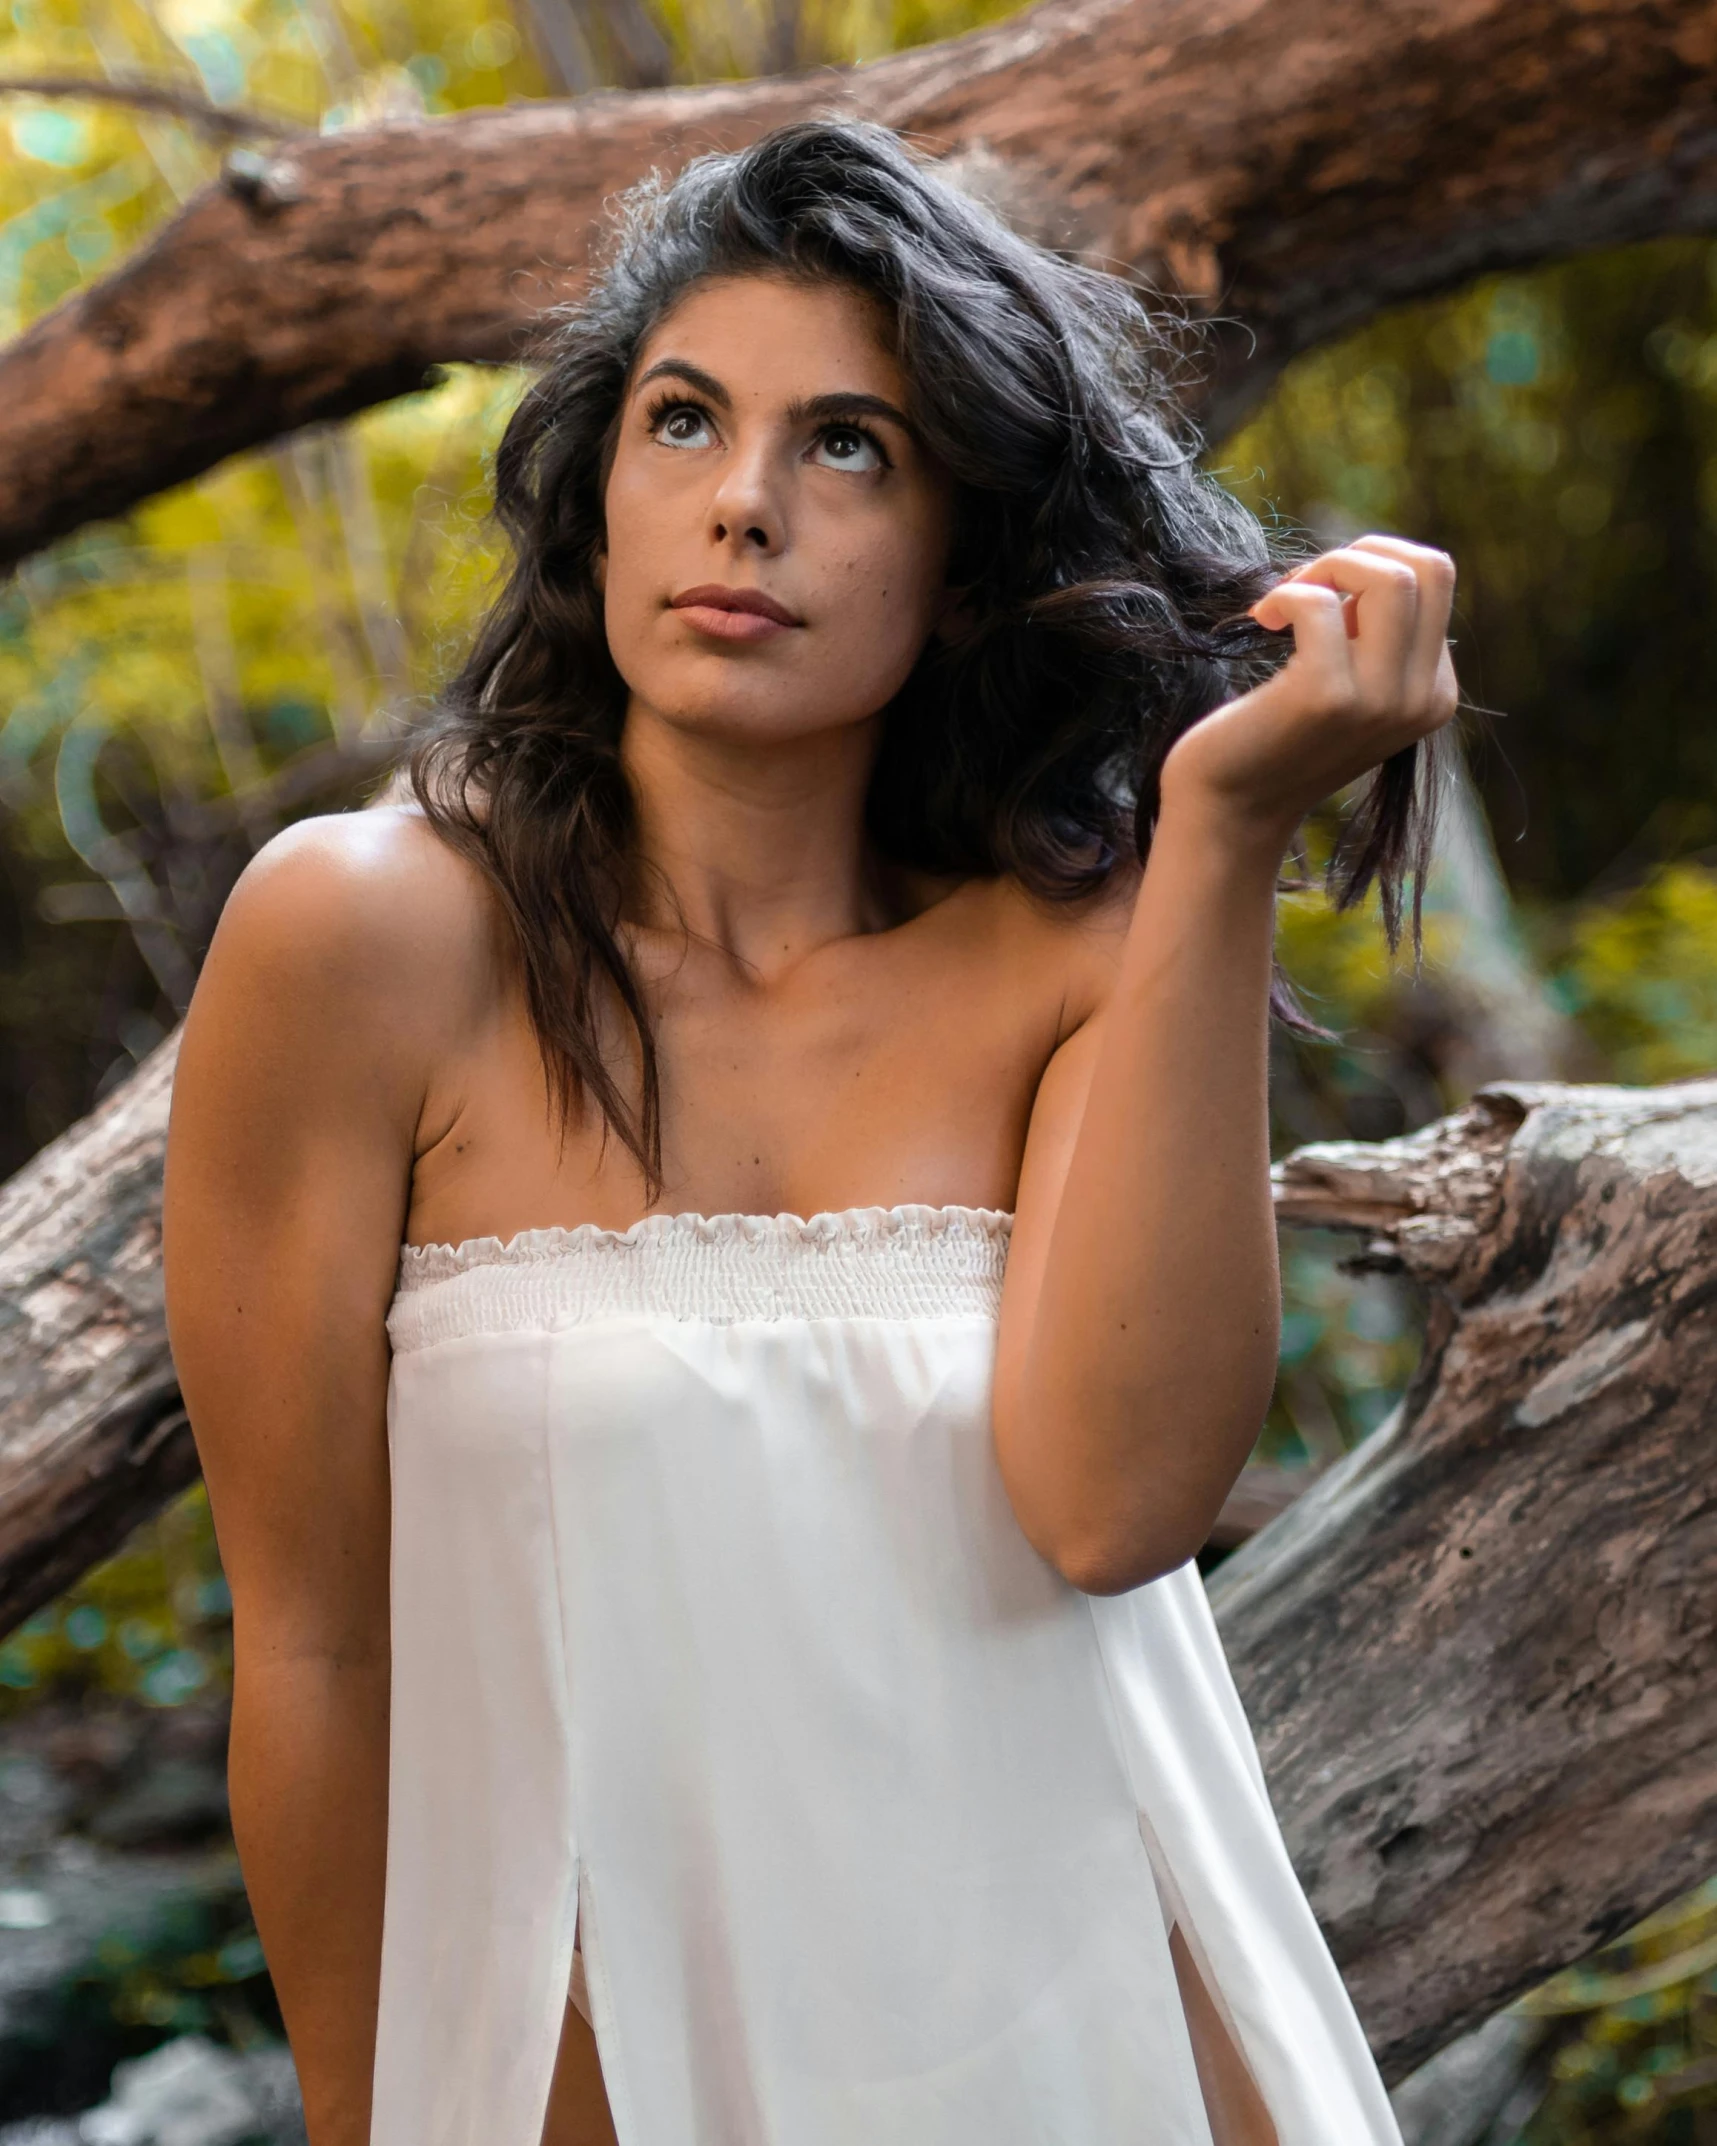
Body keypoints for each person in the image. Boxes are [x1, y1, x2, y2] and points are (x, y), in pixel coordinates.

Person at [161, 119, 1456, 2146]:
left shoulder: (1073, 949)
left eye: (847, 444)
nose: (742, 504)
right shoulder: (363, 939)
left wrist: (1220, 832)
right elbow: (316, 1645)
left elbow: (1115, 1503)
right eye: (685, 420)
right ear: (596, 496)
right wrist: (356, 2102)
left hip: (1095, 2039)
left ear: (959, 563)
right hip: (591, 2064)